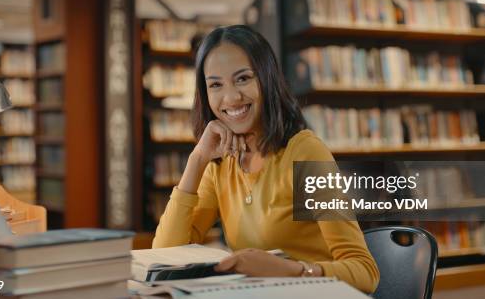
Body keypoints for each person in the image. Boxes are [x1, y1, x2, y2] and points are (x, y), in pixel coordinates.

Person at [152, 25, 380, 293]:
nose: (232, 97)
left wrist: (294, 271)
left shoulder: (304, 153)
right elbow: (164, 258)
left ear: (266, 78)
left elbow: (365, 271)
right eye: (216, 84)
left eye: (243, 79)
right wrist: (198, 158)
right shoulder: (220, 163)